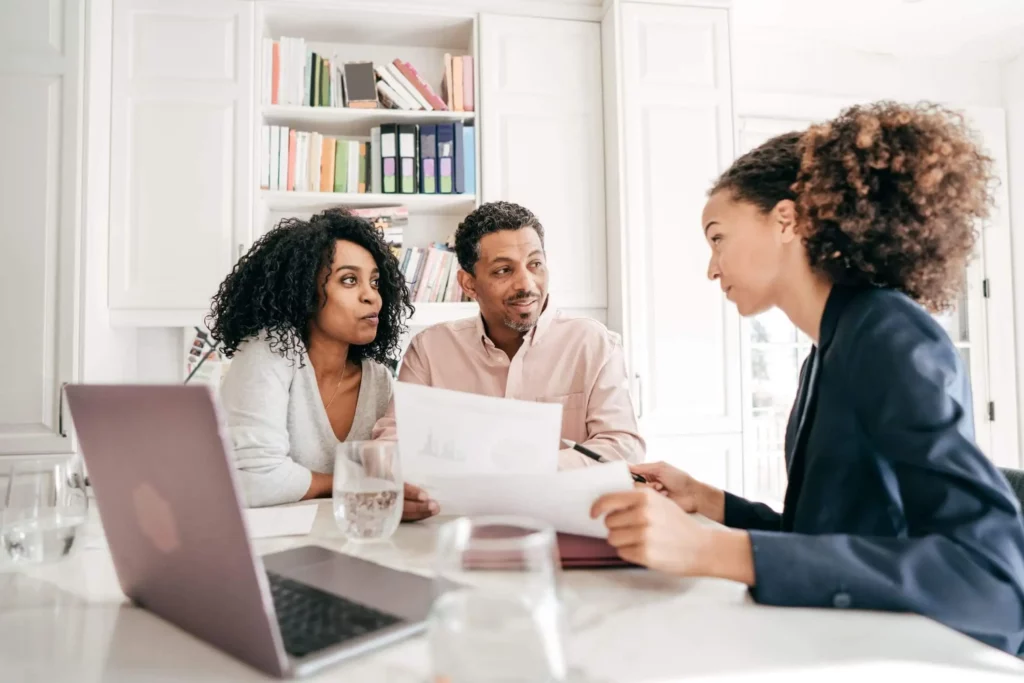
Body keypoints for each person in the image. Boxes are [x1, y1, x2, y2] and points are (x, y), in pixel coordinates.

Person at [591, 102, 1024, 654]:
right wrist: (709, 500)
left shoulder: (890, 334)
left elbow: (989, 582)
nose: (711, 267)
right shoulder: (828, 350)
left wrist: (709, 552)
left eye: (717, 237)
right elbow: (827, 542)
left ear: (787, 220)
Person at [372, 201, 645, 488]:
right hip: (458, 522)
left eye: (535, 264)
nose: (526, 284)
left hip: (565, 520)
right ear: (468, 284)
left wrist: (526, 469)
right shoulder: (429, 351)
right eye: (504, 270)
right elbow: (391, 445)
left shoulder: (594, 344)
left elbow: (623, 447)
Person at [211, 208, 431, 519]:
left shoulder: (378, 379)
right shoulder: (270, 351)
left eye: (376, 282)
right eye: (349, 280)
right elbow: (250, 481)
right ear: (304, 292)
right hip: (267, 550)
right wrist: (348, 483)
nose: (373, 297)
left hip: (345, 546)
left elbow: (382, 479)